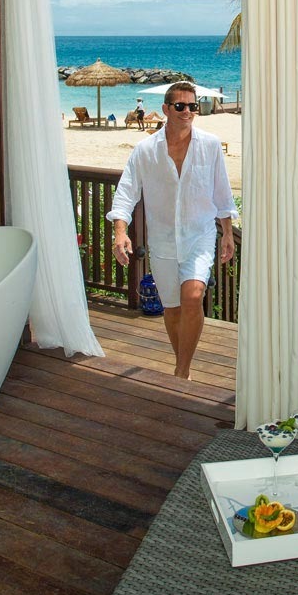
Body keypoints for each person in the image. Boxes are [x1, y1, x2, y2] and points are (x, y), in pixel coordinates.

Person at [109, 83, 236, 378]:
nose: (188, 112)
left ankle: (181, 370)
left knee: (193, 296)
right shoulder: (145, 151)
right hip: (163, 239)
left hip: (200, 235)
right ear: (166, 109)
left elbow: (222, 192)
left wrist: (227, 232)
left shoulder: (210, 145)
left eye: (193, 106)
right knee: (173, 308)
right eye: (181, 106)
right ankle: (183, 364)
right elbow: (126, 193)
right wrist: (120, 231)